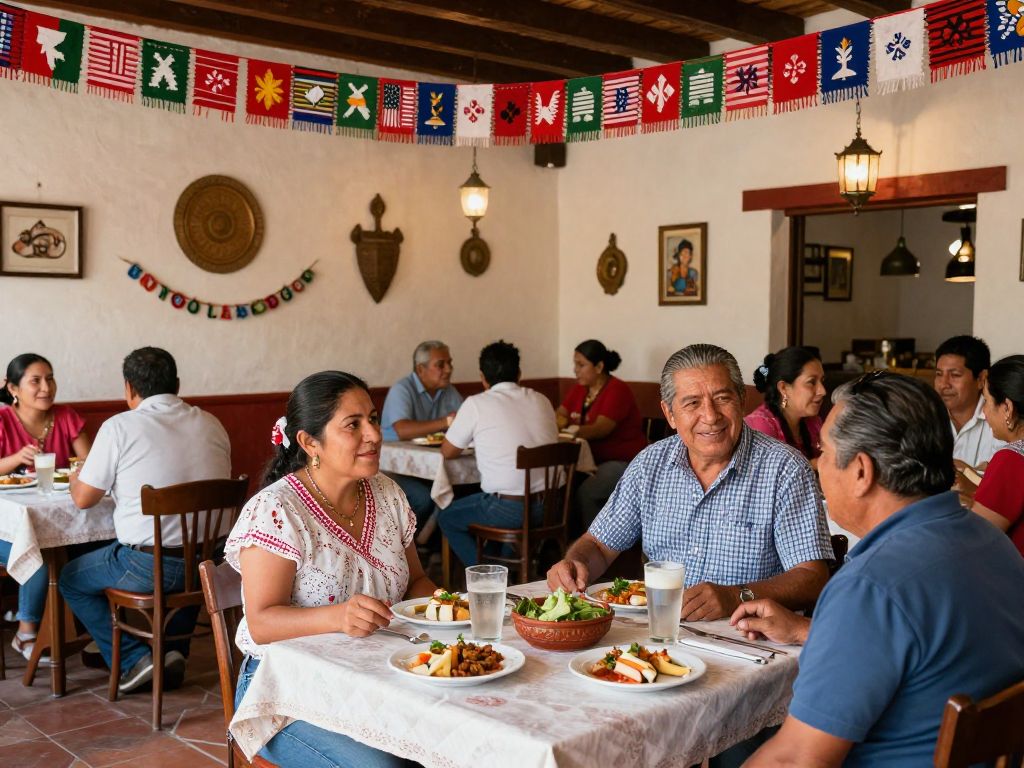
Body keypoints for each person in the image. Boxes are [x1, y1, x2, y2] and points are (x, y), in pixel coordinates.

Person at [730, 372, 1024, 767]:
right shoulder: (992, 544)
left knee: (734, 743)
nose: (819, 468)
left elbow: (796, 761)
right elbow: (923, 647)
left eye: (825, 454)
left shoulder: (871, 586)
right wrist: (808, 630)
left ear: (862, 472)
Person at [229, 370, 434, 768]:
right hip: (285, 692)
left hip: (375, 674)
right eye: (353, 425)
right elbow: (262, 623)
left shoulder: (387, 494)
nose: (373, 434)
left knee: (450, 744)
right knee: (388, 766)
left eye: (372, 419)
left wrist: (446, 609)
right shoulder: (278, 510)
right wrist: (340, 616)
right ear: (309, 442)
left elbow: (417, 581)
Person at [547, 343, 833, 620]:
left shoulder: (785, 470)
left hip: (748, 642)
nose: (710, 416)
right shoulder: (650, 465)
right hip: (660, 633)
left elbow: (811, 578)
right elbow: (598, 545)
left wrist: (735, 596)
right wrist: (576, 564)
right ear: (670, 414)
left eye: (722, 398)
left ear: (742, 401)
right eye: (692, 403)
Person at [63, 347, 232, 693]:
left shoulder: (119, 428)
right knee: (185, 558)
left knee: (69, 578)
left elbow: (83, 500)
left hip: (147, 566)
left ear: (129, 389)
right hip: (210, 562)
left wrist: (75, 478)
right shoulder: (211, 423)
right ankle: (173, 652)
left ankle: (133, 659)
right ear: (177, 384)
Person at [0, 353, 92, 660]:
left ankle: (86, 630)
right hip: (6, 523)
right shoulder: (2, 421)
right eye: (35, 381)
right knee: (36, 555)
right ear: (13, 388)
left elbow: (89, 463)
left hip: (60, 513)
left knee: (94, 545)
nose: (46, 387)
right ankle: (25, 634)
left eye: (50, 378)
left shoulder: (65, 416)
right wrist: (14, 460)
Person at [439, 340, 559, 568]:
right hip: (551, 508)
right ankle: (508, 568)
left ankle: (488, 574)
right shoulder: (542, 399)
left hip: (509, 511)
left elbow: (447, 451)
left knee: (447, 517)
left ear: (483, 377)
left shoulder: (476, 404)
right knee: (488, 507)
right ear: (519, 373)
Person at [556, 340, 647, 528]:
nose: (575, 370)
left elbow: (600, 429)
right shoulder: (580, 389)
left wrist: (568, 429)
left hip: (624, 462)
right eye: (575, 364)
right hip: (590, 461)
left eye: (581, 365)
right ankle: (565, 539)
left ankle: (597, 545)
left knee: (588, 491)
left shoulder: (617, 390)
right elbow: (559, 414)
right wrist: (563, 424)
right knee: (561, 486)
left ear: (599, 366)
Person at [380, 341, 463, 529]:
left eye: (450, 363)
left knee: (462, 490)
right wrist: (446, 422)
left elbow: (465, 422)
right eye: (440, 364)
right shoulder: (402, 389)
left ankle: (435, 549)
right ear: (421, 369)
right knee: (423, 498)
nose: (448, 369)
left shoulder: (448, 390)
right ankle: (405, 549)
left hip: (429, 466)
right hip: (394, 467)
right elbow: (403, 430)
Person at [972, 355, 1024, 557]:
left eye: (986, 400)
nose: (983, 411)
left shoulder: (1011, 460)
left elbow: (975, 536)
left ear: (1008, 408)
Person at [745, 346, 826, 465]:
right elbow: (764, 478)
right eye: (811, 382)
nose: (822, 391)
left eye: (822, 381)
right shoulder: (760, 426)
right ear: (783, 388)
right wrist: (814, 464)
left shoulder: (813, 422)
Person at [934, 335, 1004, 468]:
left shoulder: (1002, 421)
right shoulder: (924, 418)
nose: (943, 385)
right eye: (938, 374)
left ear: (981, 379)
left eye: (955, 375)